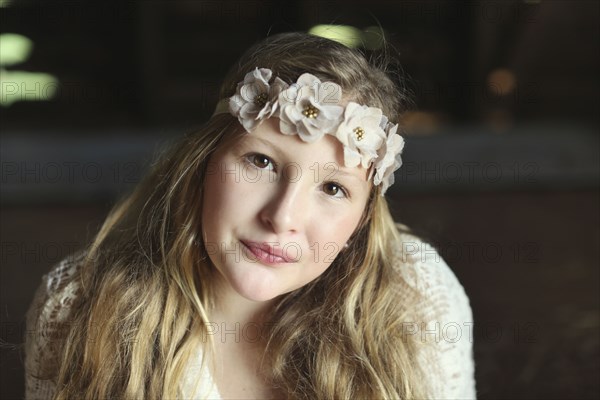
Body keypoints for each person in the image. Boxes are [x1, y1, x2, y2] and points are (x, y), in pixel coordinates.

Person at [24, 32, 476, 399]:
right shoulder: (79, 306)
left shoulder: (417, 297)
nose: (282, 217)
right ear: (202, 162)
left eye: (333, 187)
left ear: (361, 218)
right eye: (261, 162)